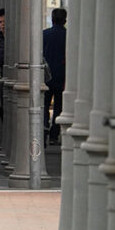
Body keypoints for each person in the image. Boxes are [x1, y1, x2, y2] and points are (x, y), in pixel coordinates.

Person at [43, 8, 67, 145]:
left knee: (45, 105)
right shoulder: (68, 36)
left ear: (52, 19)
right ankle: (54, 134)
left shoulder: (44, 35)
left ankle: (44, 129)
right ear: (65, 20)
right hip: (62, 78)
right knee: (58, 106)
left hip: (46, 77)